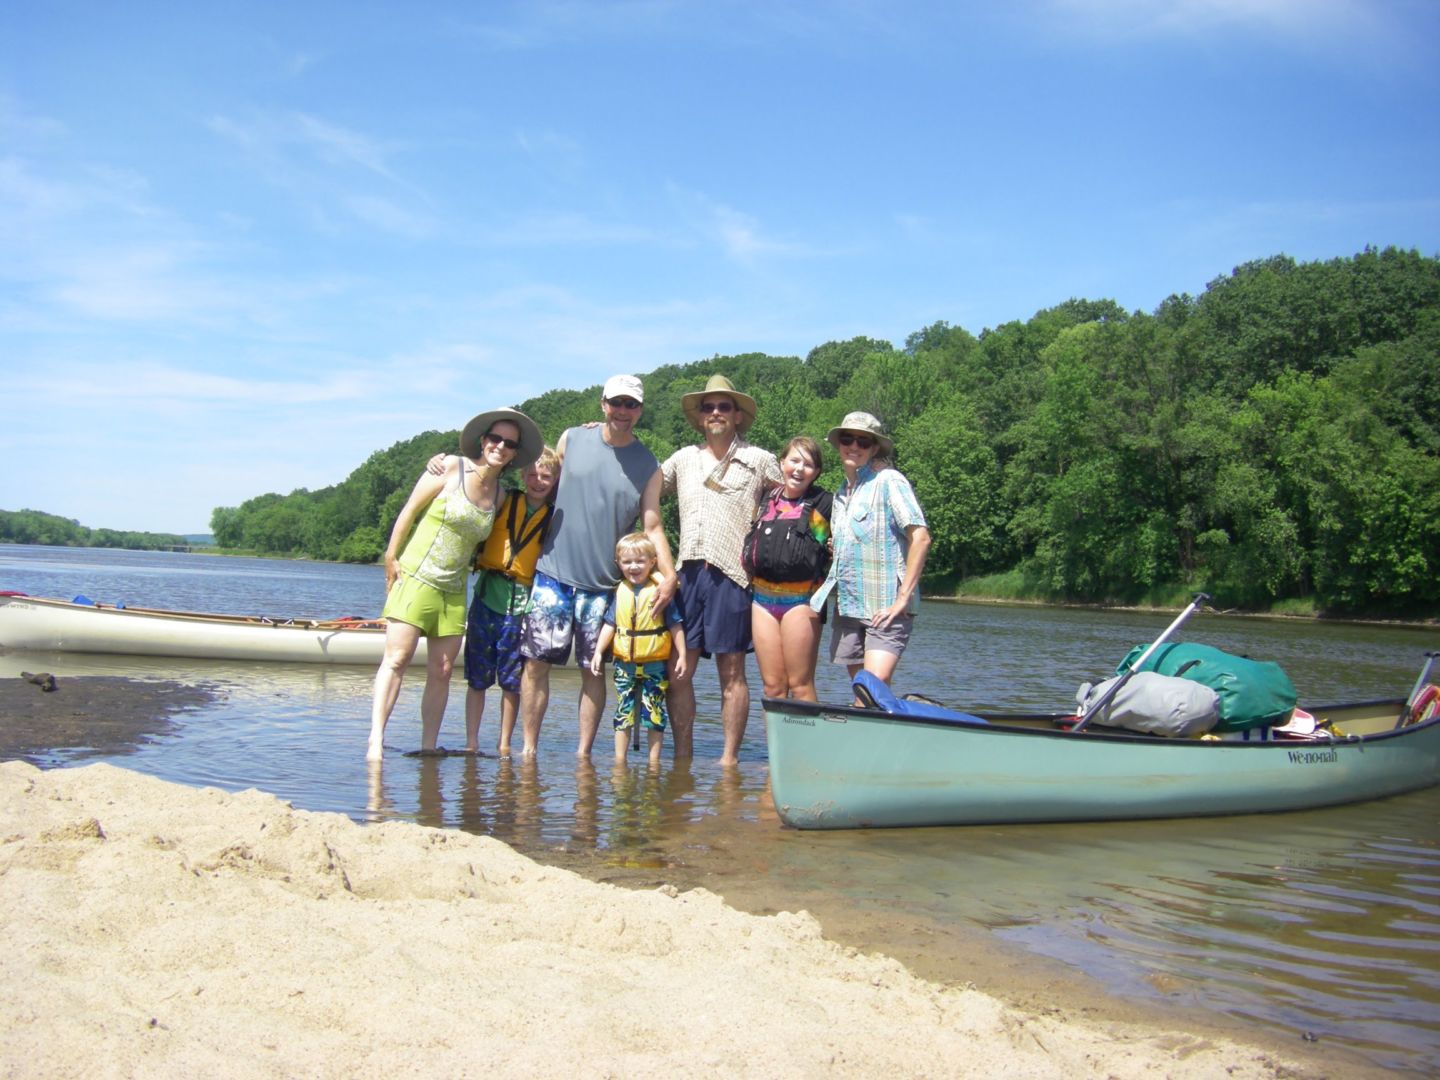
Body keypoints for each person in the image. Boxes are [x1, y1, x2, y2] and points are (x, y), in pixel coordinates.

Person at [367, 408, 544, 761]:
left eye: (510, 444)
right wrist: (391, 556)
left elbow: (541, 493)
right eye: (496, 439)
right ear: (483, 440)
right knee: (398, 658)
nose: (501, 447)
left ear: (513, 453)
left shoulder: (501, 496)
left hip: (454, 588)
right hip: (416, 576)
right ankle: (375, 740)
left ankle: (429, 745)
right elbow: (409, 511)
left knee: (444, 671)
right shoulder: (449, 466)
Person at [519, 375, 677, 757]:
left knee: (593, 672)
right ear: (603, 404)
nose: (623, 411)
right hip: (552, 576)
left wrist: (670, 576)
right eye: (616, 403)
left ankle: (584, 755)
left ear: (640, 410)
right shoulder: (571, 439)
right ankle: (527, 751)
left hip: (603, 586)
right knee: (536, 666)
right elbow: (539, 481)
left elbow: (652, 525)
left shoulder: (648, 465)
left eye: (631, 405)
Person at [661, 375, 781, 765]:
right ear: (699, 417)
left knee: (732, 674)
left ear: (737, 416)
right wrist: (602, 440)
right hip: (687, 574)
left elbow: (797, 498)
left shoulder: (761, 461)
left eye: (723, 406)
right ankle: (683, 758)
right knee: (678, 672)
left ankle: (728, 761)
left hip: (734, 575)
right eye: (708, 407)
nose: (715, 413)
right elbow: (639, 489)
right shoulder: (681, 459)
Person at [810, 411, 932, 690]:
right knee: (864, 694)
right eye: (848, 439)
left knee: (872, 686)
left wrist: (902, 599)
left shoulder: (889, 481)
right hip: (850, 606)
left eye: (863, 442)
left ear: (874, 448)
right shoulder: (842, 494)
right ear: (839, 444)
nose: (854, 446)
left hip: (886, 606)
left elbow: (921, 538)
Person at [460, 446, 559, 755]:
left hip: (521, 606)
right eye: (532, 474)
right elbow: (477, 484)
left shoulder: (554, 515)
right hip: (487, 597)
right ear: (521, 474)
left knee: (511, 681)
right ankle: (472, 743)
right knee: (477, 678)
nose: (538, 482)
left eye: (545, 476)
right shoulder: (506, 499)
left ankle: (504, 744)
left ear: (555, 481)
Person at [588, 533, 688, 765]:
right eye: (627, 562)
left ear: (653, 561)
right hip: (625, 665)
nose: (634, 567)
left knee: (653, 713)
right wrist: (598, 652)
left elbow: (675, 626)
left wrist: (682, 654)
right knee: (624, 712)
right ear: (618, 564)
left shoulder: (660, 591)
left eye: (640, 561)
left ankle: (654, 763)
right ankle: (619, 761)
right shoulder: (620, 591)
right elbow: (610, 625)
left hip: (654, 664)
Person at [746, 435, 833, 702]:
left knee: (800, 685)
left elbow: (837, 542)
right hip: (761, 601)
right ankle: (777, 746)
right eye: (794, 460)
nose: (799, 469)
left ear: (816, 472)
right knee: (773, 688)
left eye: (808, 464)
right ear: (782, 462)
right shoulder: (764, 500)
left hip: (801, 601)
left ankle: (807, 744)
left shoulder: (823, 504)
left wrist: (832, 545)